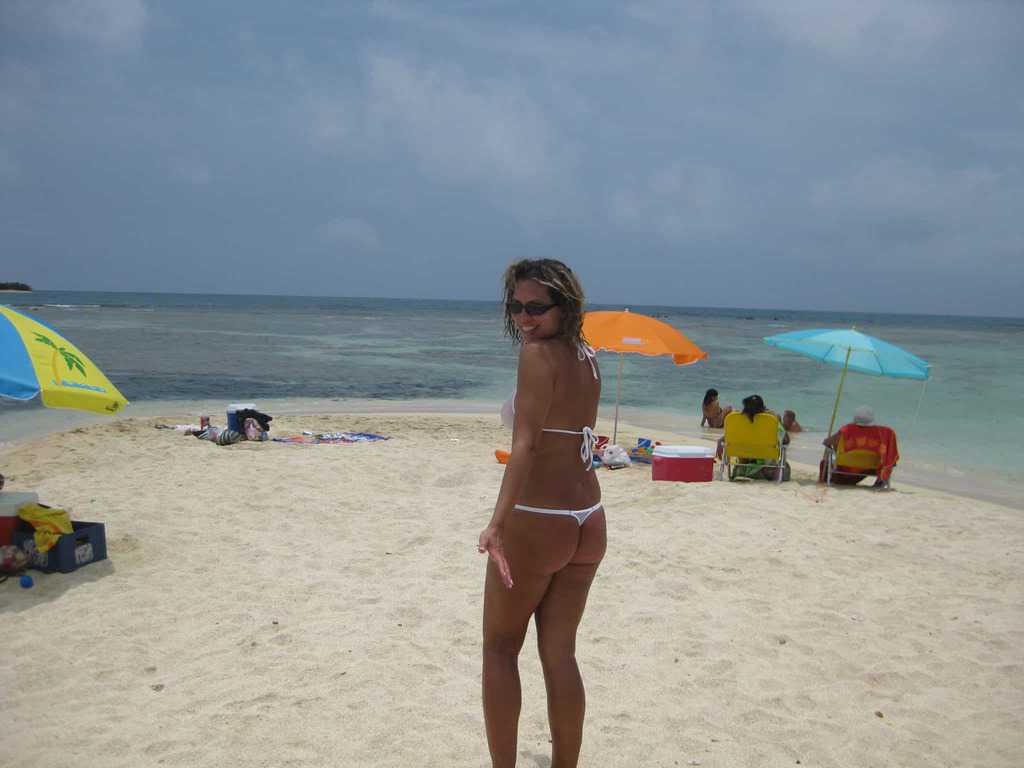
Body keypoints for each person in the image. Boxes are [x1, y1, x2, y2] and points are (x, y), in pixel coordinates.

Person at [479, 258, 606, 768]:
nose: (524, 318)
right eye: (516, 307)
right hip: (588, 518)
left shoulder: (537, 355)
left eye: (536, 307)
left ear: (565, 305)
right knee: (560, 655)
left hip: (539, 518)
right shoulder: (587, 355)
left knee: (499, 649)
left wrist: (496, 524)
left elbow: (526, 445)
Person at [822, 406, 898, 488]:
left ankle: (828, 481)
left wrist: (830, 443)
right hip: (871, 467)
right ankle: (881, 481)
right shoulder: (885, 432)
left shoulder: (848, 429)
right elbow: (890, 452)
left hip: (847, 466)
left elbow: (827, 442)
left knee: (826, 460)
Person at [717, 394, 790, 479]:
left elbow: (730, 436)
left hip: (742, 470)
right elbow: (786, 440)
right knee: (786, 466)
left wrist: (720, 441)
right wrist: (779, 423)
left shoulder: (737, 420)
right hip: (767, 471)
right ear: (762, 408)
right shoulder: (771, 420)